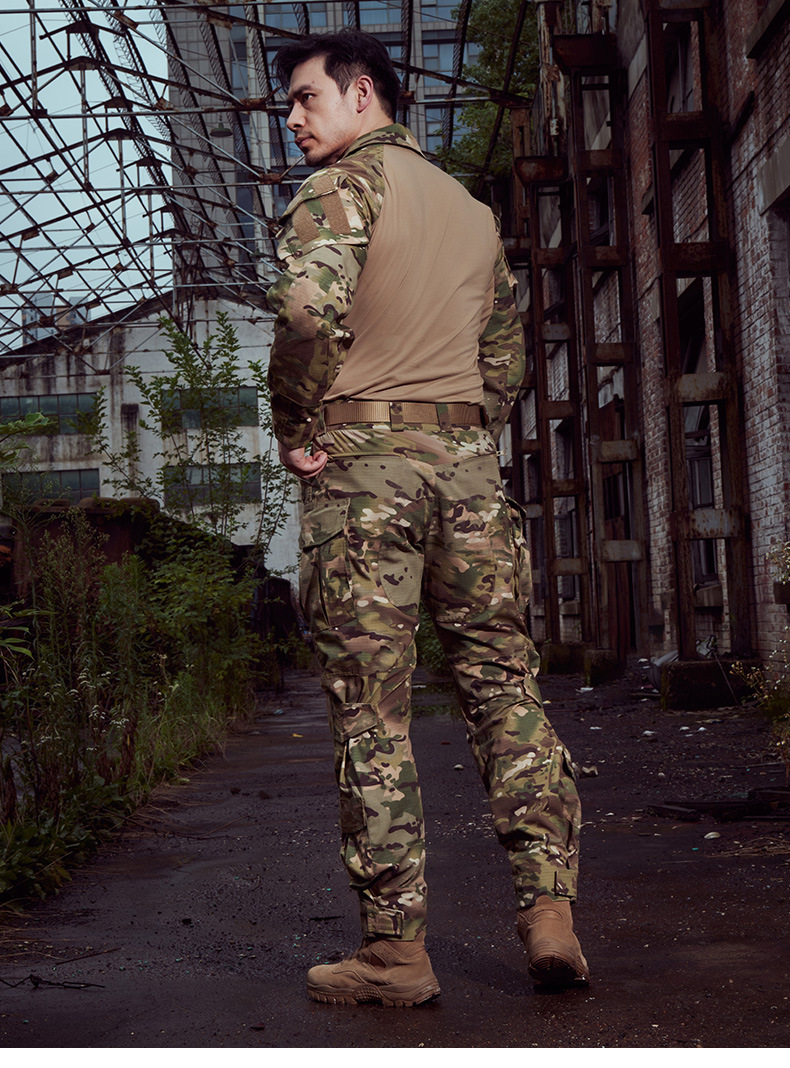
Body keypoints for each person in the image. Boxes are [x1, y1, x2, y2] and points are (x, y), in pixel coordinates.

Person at [267, 29, 588, 1007]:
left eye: (307, 98)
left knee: (374, 709)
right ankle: (550, 913)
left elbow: (306, 314)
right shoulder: (469, 212)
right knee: (504, 689)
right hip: (470, 476)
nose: (292, 118)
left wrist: (297, 425)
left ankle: (396, 955)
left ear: (363, 94)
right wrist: (459, 433)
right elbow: (506, 358)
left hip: (366, 475)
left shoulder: (339, 189)